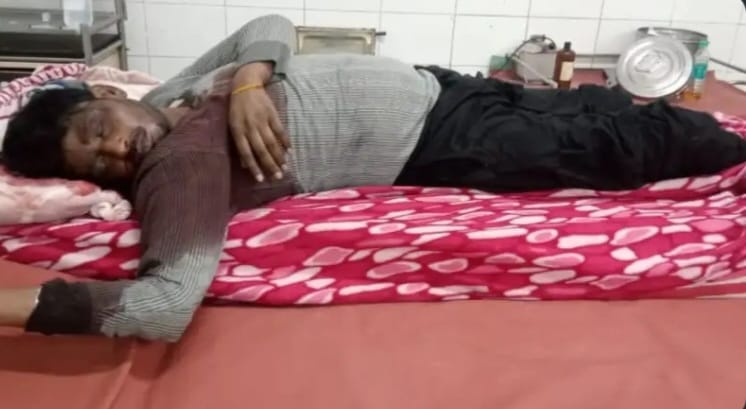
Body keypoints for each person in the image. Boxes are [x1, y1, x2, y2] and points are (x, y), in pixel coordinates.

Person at [2, 15, 746, 342]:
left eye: (99, 132)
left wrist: (253, 79)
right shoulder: (177, 169)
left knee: (588, 103)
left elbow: (266, 26)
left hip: (440, 84)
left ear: (105, 96)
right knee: (634, 142)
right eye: (98, 165)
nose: (117, 151)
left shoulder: (163, 99)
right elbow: (164, 306)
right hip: (445, 139)